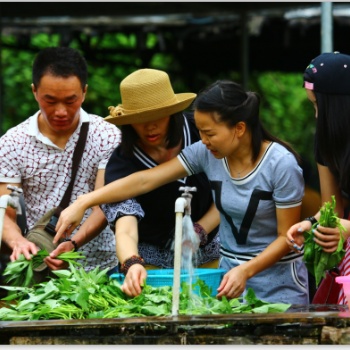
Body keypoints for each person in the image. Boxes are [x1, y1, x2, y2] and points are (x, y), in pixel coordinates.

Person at [55, 79, 309, 304]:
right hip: (229, 279)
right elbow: (144, 181)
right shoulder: (203, 152)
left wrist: (244, 268)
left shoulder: (280, 165)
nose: (203, 140)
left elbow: (288, 237)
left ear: (239, 128)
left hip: (276, 283)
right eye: (200, 133)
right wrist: (84, 202)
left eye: (209, 133)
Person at [0, 46, 121, 274]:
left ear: (84, 92)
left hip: (101, 268)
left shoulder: (108, 136)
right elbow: (6, 210)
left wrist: (75, 244)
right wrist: (18, 242)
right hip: (43, 270)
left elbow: (104, 204)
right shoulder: (12, 143)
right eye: (50, 100)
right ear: (34, 91)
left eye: (70, 100)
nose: (61, 111)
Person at [99, 68, 220, 296]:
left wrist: (199, 231)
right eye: (140, 120)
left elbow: (232, 190)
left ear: (172, 112)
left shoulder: (202, 132)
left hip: (212, 255)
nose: (150, 126)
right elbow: (125, 228)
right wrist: (132, 262)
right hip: (151, 264)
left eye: (158, 117)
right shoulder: (122, 163)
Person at [286, 51, 350, 305]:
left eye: (317, 106)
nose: (316, 116)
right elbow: (331, 208)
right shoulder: (326, 141)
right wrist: (310, 224)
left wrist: (347, 228)